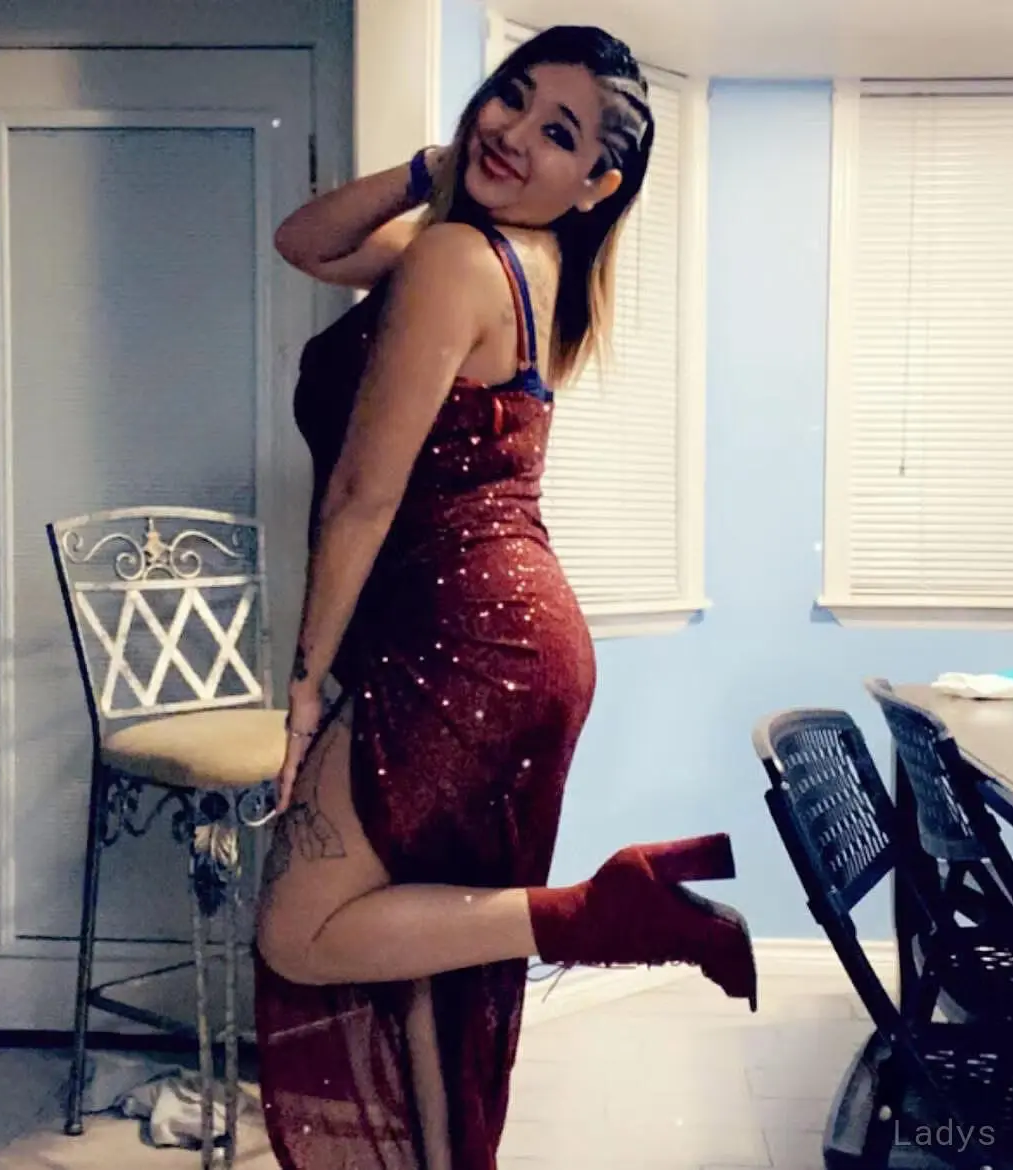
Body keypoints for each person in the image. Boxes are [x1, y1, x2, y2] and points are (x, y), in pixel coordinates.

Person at [252, 24, 756, 1170]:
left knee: (301, 930)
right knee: (431, 956)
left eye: (559, 133)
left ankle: (597, 914)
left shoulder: (455, 262)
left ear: (598, 184)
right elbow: (304, 241)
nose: (515, 133)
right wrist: (435, 166)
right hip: (508, 639)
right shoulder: (520, 264)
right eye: (512, 98)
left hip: (465, 641)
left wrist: (302, 690)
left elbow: (364, 496)